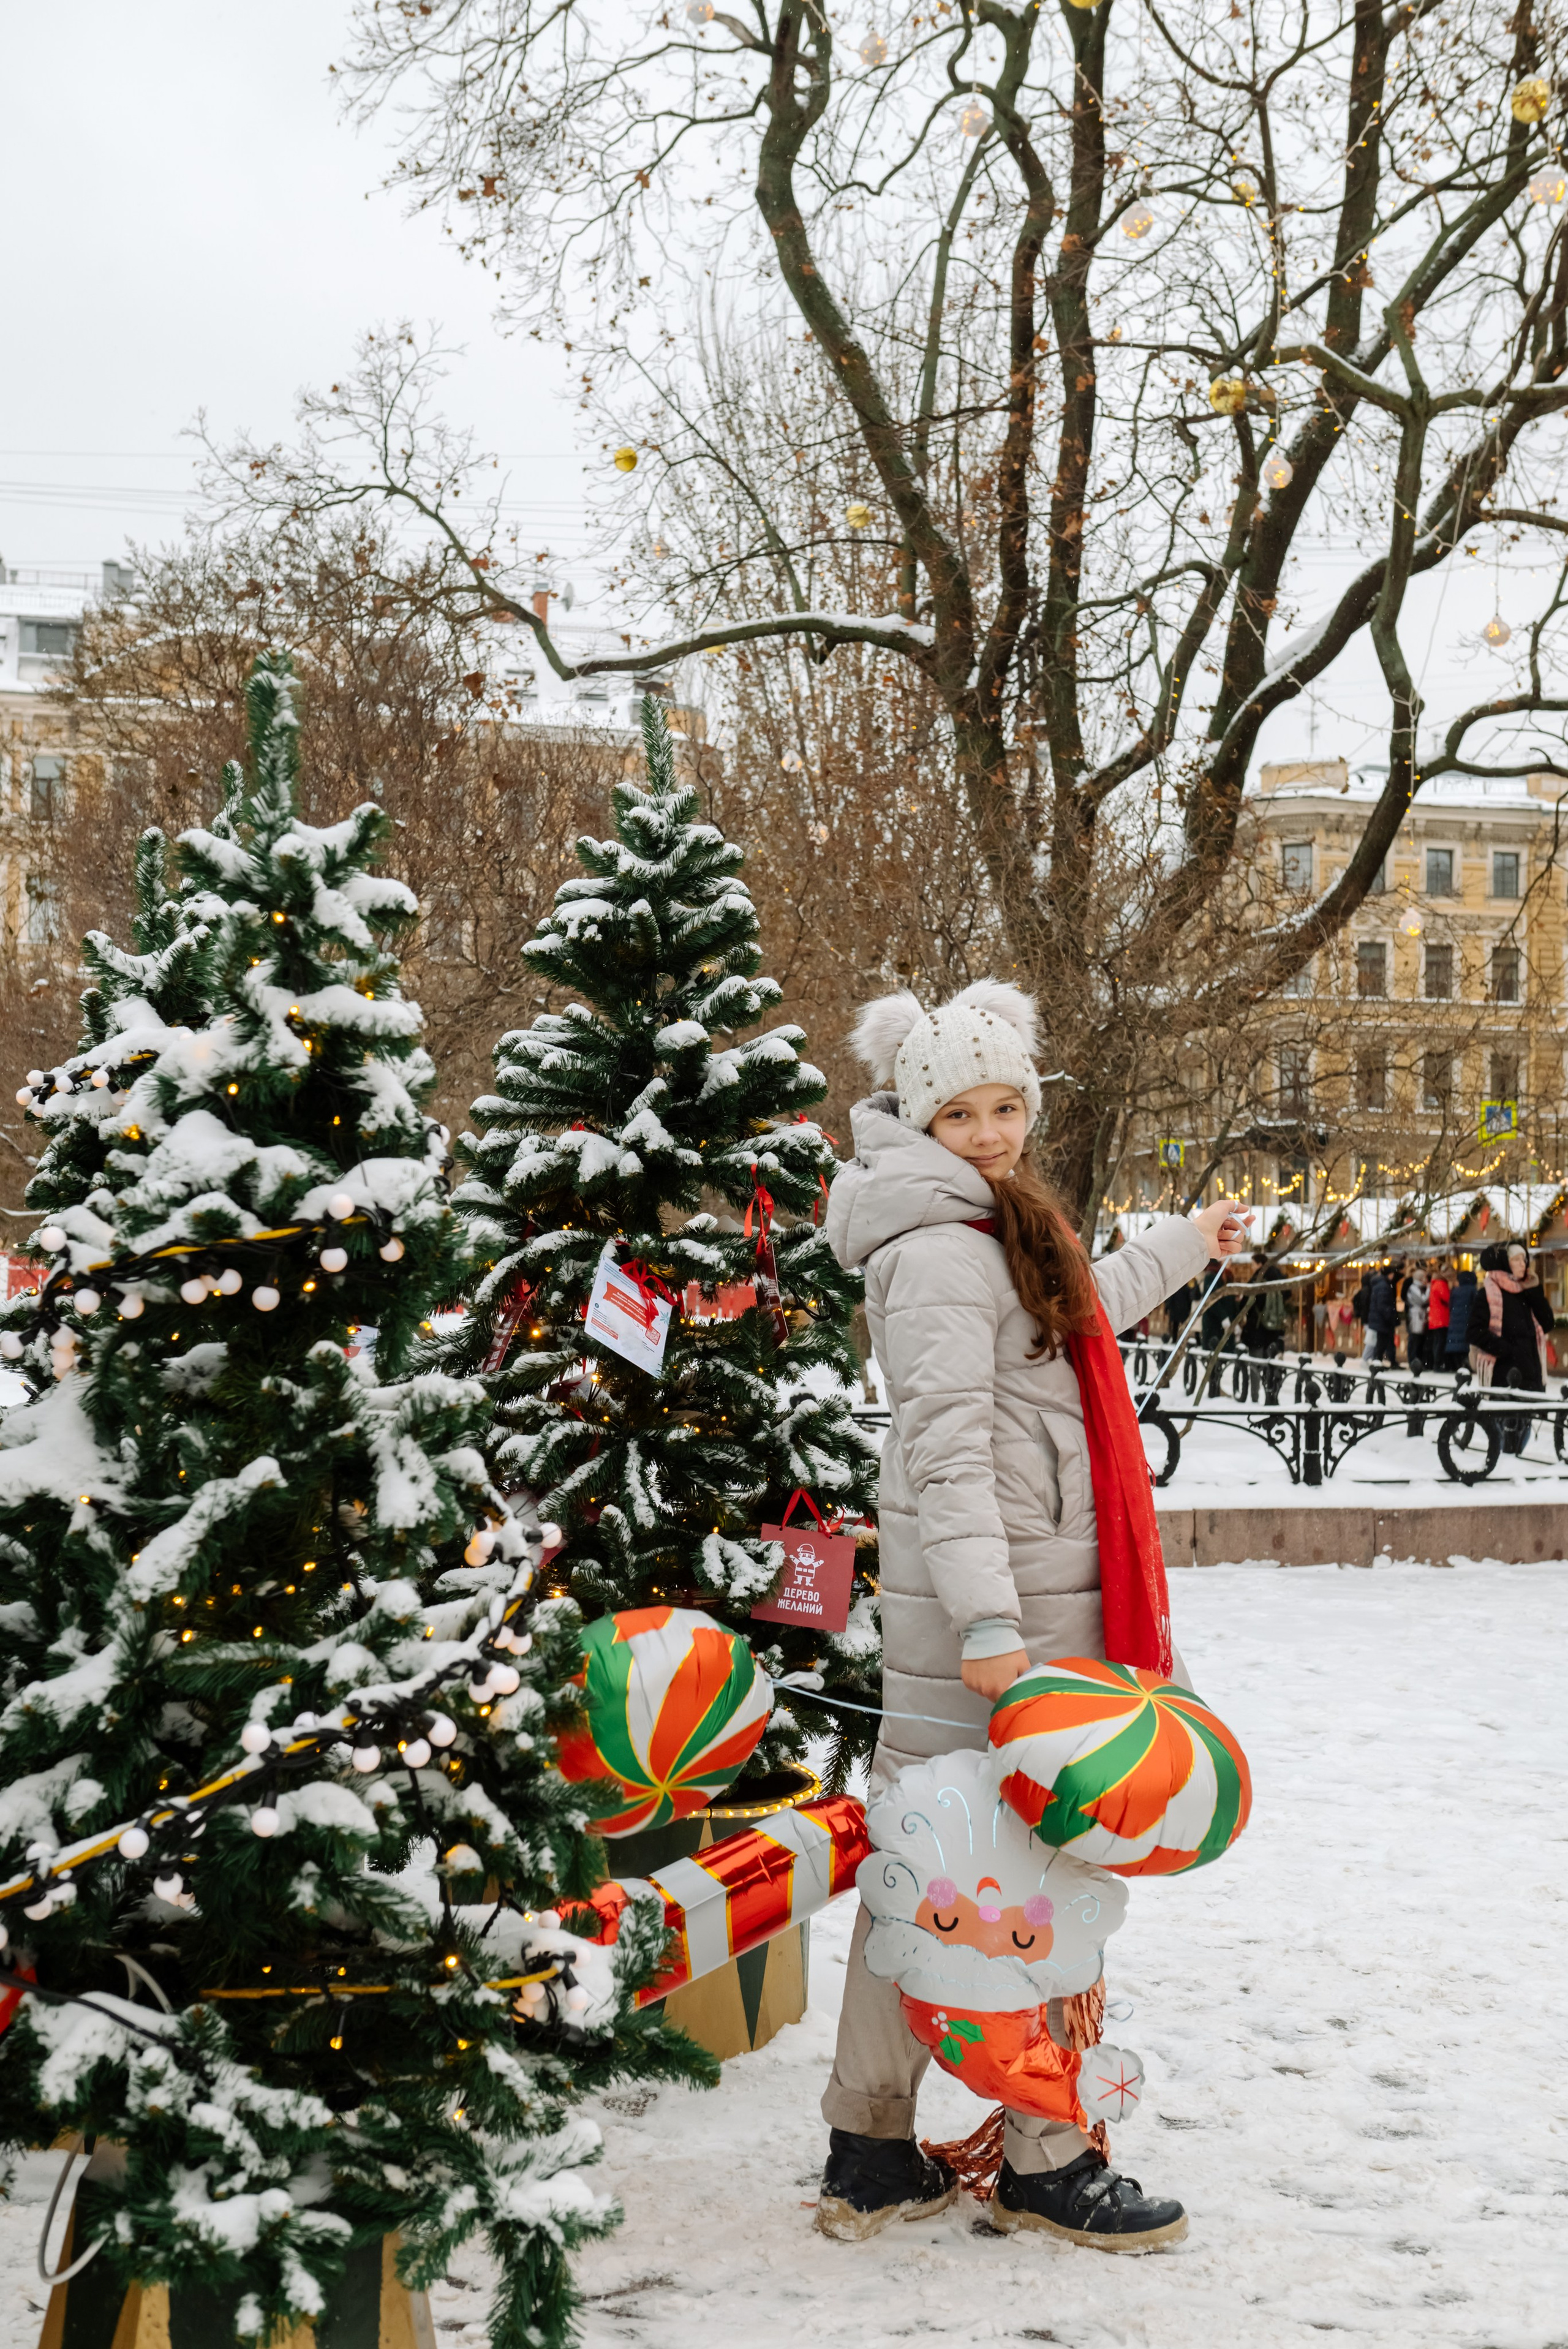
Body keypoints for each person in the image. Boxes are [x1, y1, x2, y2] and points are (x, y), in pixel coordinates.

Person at [817, 981, 1251, 2250]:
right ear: (919, 1114)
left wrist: (1183, 1241)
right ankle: (1046, 2155)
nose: (994, 1130)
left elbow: (1074, 1317)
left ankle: (870, 2147)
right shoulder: (944, 1247)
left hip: (1007, 1609)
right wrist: (996, 1641)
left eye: (1007, 1105)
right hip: (995, 1625)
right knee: (1037, 1870)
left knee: (923, 1870)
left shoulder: (981, 1225)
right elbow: (944, 1455)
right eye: (963, 1111)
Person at [1469, 1241, 1553, 1452]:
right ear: (1505, 1263)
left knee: (1522, 1430)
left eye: (1524, 1259)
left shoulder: (1526, 1291)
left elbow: (1547, 1323)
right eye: (1516, 1259)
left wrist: (1534, 1290)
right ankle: (1503, 1473)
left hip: (1530, 1372)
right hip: (1504, 1374)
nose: (1523, 1263)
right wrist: (1506, 1350)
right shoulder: (1488, 1293)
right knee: (1504, 1435)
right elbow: (1474, 1332)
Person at [1445, 1264, 1479, 1370]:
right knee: (1465, 1343)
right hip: (1467, 1320)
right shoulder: (1472, 1290)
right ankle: (1465, 1365)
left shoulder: (1455, 1291)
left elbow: (1451, 1306)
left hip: (1455, 1320)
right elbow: (1476, 1306)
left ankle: (1456, 1364)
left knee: (1455, 1342)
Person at [1363, 1264, 1396, 1364]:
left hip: (1377, 1319)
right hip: (1381, 1320)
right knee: (1381, 1344)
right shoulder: (1384, 1286)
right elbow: (1383, 1305)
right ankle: (1376, 1363)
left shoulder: (1379, 1284)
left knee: (1379, 1343)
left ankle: (1377, 1361)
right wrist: (1389, 1316)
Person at [1403, 1265, 1431, 1372]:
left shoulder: (1418, 1288)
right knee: (1415, 1341)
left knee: (1419, 1342)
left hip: (1420, 1318)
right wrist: (1429, 1289)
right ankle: (1413, 1362)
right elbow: (1423, 1300)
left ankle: (1418, 1363)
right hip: (1416, 1318)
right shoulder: (1414, 1288)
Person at [1427, 1261, 1451, 1370]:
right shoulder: (1441, 1284)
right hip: (1441, 1317)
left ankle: (1436, 1363)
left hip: (1436, 1318)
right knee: (1440, 1343)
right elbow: (1448, 1298)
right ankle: (1438, 1364)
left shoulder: (1435, 1284)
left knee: (1437, 1342)